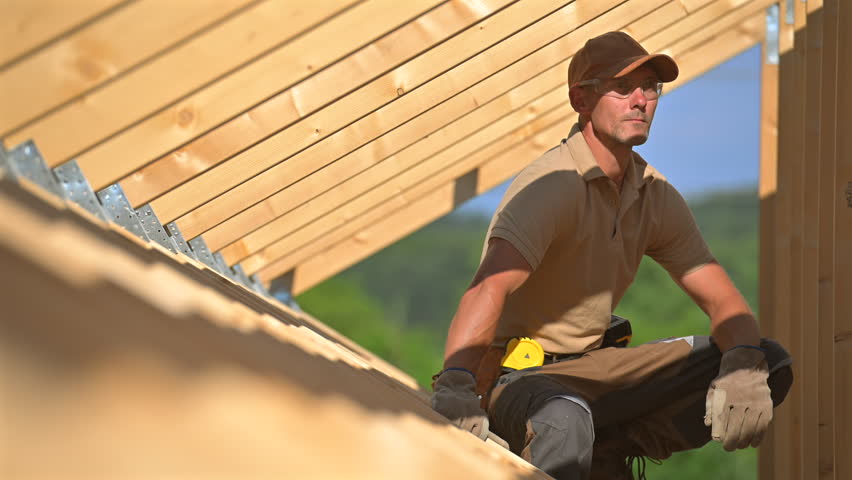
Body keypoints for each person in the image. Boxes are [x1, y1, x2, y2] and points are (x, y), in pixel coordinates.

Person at [430, 31, 793, 480]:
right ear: (581, 99)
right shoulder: (552, 185)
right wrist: (457, 384)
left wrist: (741, 363)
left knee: (766, 359)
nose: (641, 100)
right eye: (623, 88)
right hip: (519, 377)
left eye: (651, 88)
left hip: (598, 369)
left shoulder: (653, 194)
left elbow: (724, 302)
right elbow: (490, 285)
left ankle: (611, 447)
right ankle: (585, 442)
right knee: (564, 420)